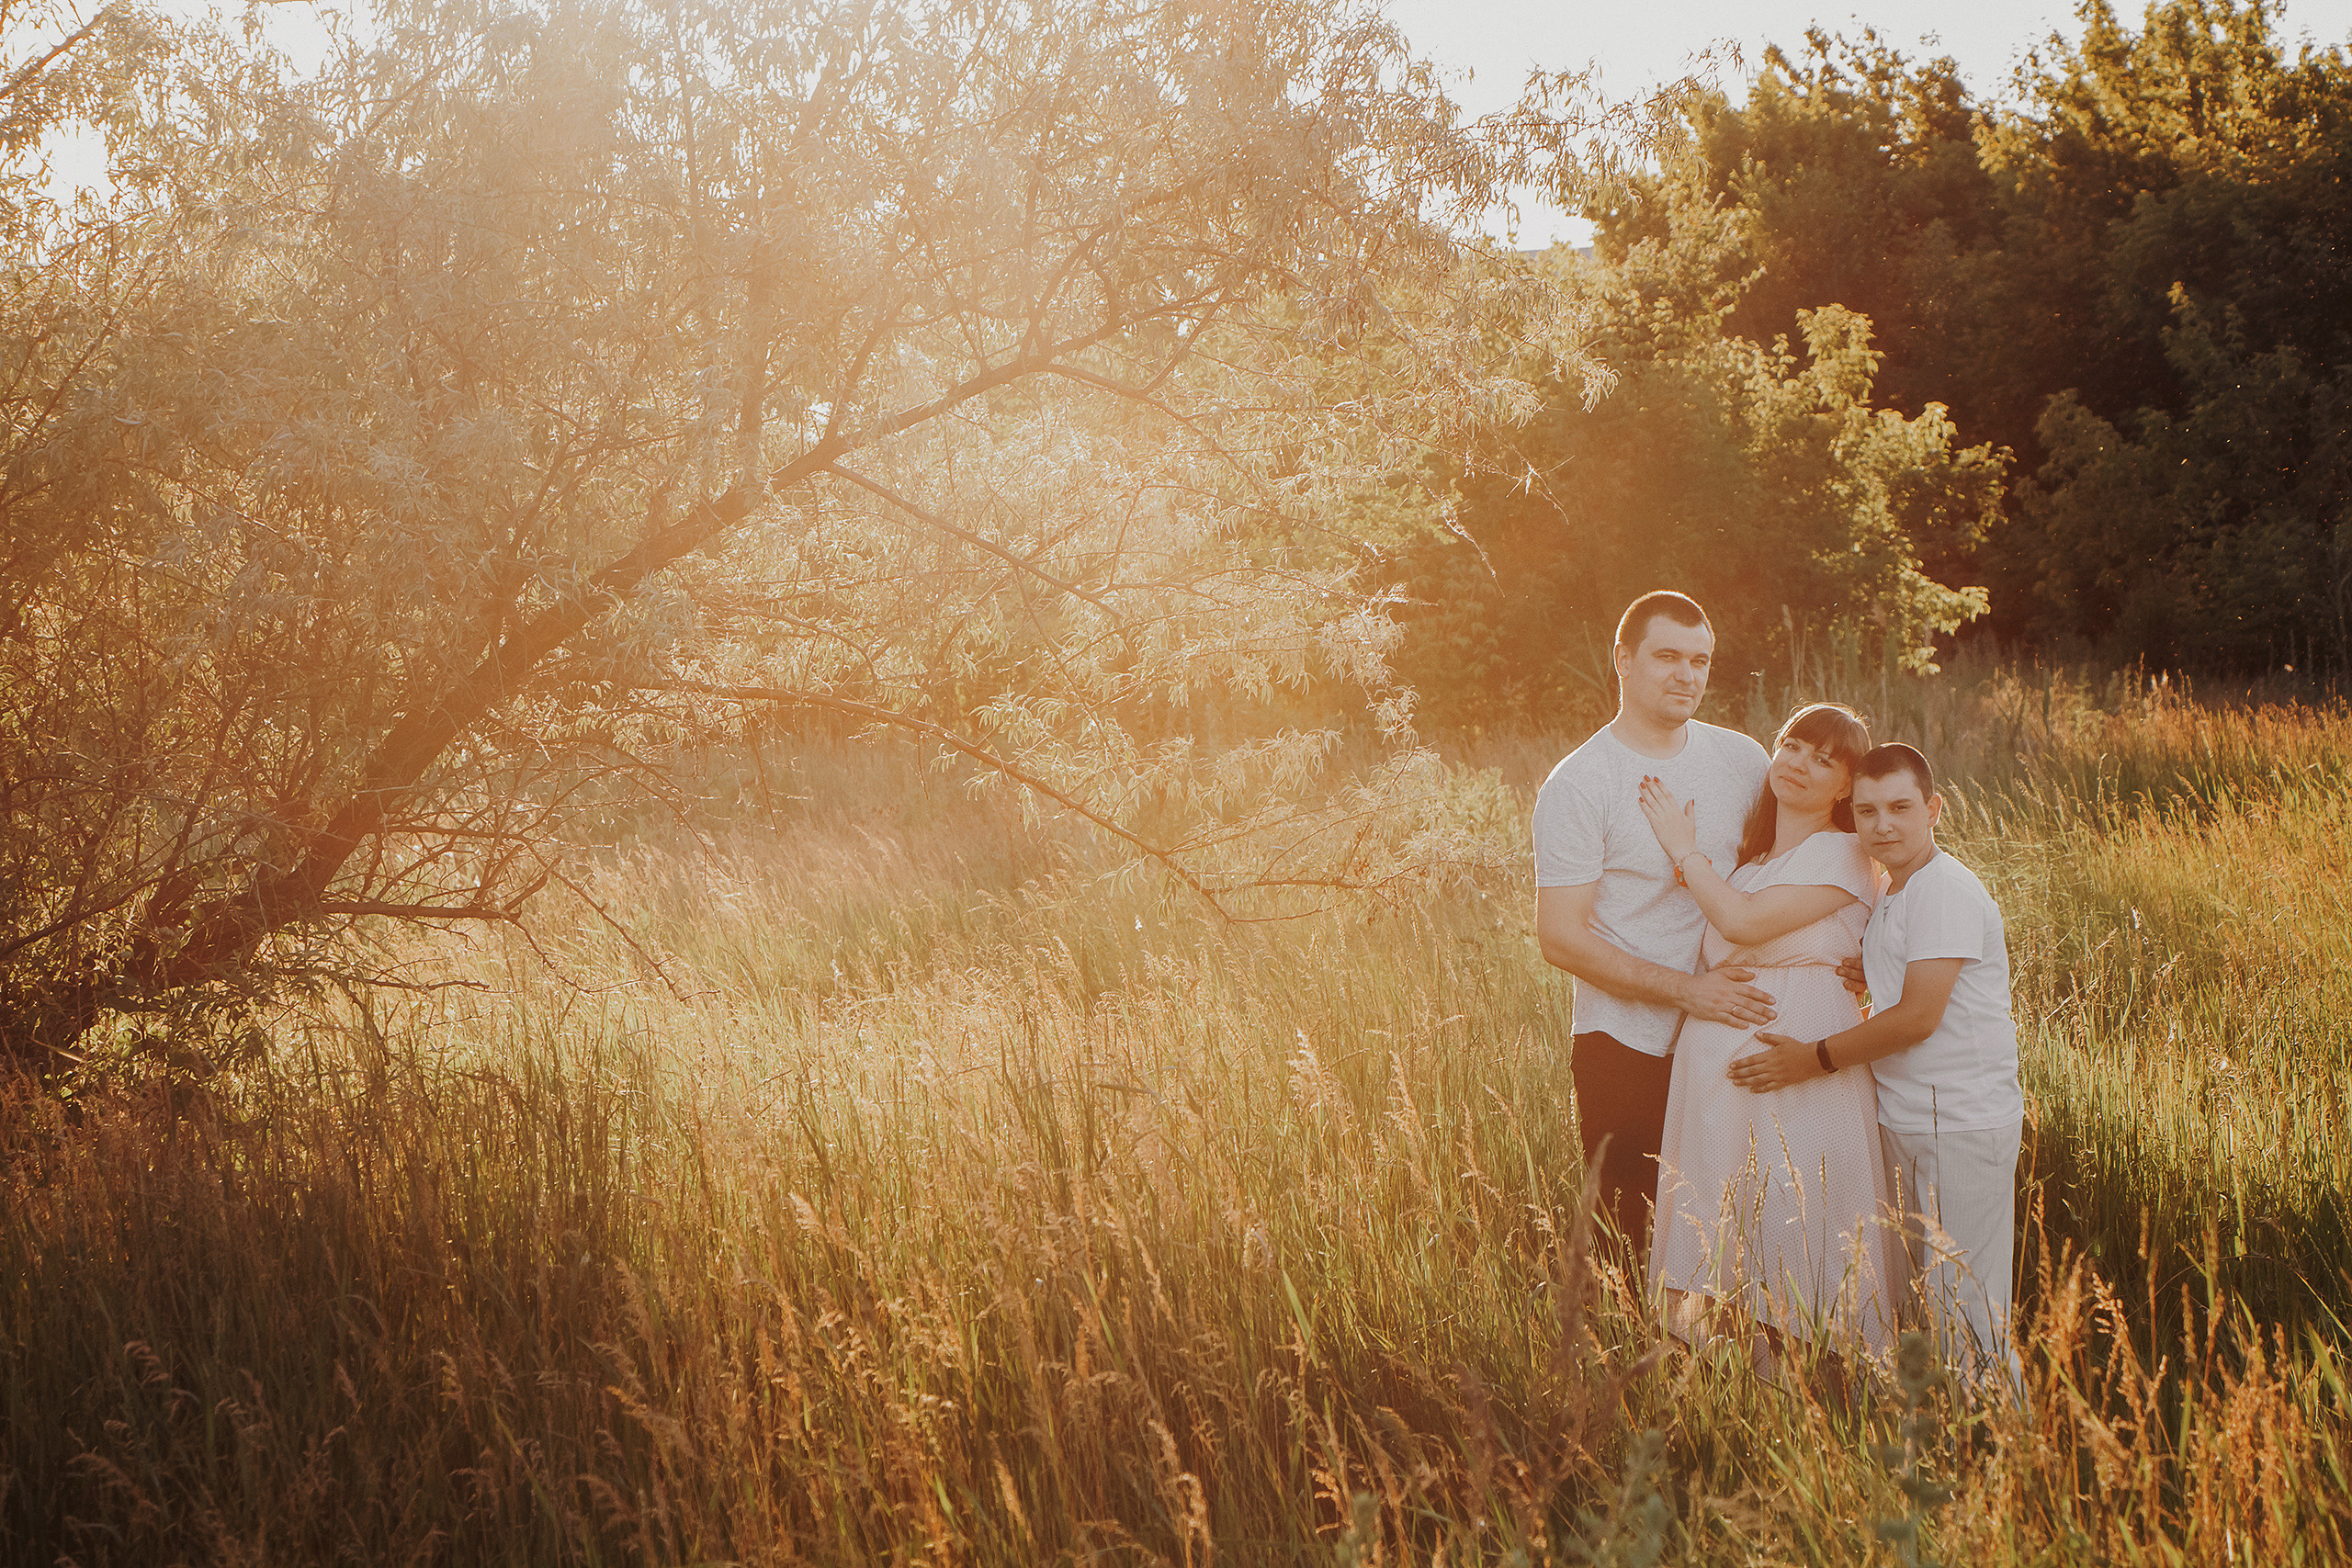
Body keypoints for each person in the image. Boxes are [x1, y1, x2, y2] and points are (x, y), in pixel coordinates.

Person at [1735, 743, 2024, 1392]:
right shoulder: (1896, 889)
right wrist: (1871, 971)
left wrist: (1811, 1058)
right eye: (1866, 811)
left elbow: (1918, 1017)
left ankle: (2010, 1462)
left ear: (1934, 808)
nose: (1883, 823)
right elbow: (1908, 986)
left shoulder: (1944, 888)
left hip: (1962, 1123)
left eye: (1899, 807)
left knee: (1969, 1307)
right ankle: (1947, 1446)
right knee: (1929, 1301)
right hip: (1910, 1117)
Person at [1637, 703, 1904, 1362]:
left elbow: (1747, 924)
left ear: (1846, 784)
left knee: (1800, 1207)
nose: (1799, 764)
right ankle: (1731, 1386)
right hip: (1716, 1074)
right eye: (1792, 745)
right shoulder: (1747, 862)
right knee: (1721, 1219)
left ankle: (1814, 1382)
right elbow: (1727, 929)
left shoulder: (1843, 850)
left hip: (1802, 1063)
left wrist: (1682, 847)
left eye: (1824, 759)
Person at [1533, 592, 1773, 1261]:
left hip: (1731, 1032)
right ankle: (1632, 1364)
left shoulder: (1743, 760)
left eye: (1700, 660)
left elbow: (1795, 865)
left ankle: (1714, 1367)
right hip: (1625, 1041)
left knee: (1728, 1229)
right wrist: (1686, 989)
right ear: (1623, 660)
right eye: (1668, 656)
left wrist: (1851, 952)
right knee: (1628, 1241)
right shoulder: (1581, 782)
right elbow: (1560, 935)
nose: (1686, 675)